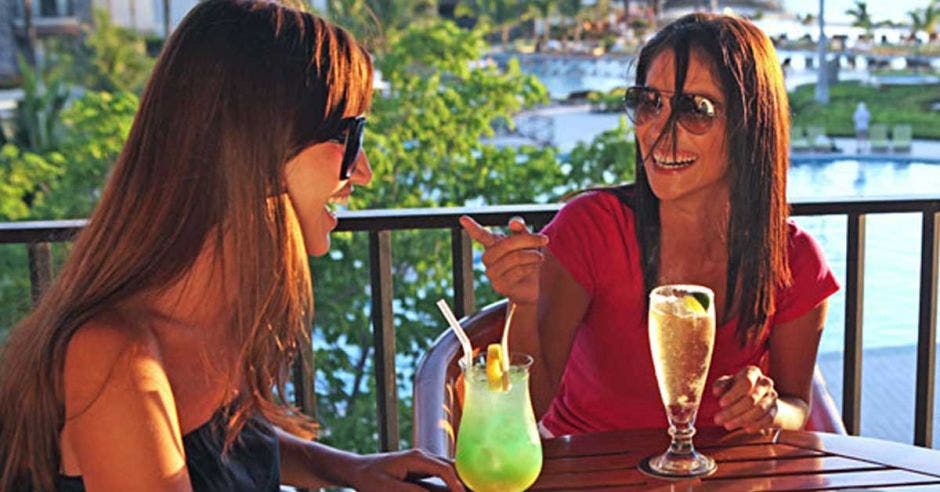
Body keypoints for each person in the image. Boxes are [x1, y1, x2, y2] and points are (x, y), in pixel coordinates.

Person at [0, 1, 464, 490]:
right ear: (260, 144)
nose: (363, 171)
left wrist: (348, 467)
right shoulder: (116, 360)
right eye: (350, 135)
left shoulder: (213, 311)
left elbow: (221, 442)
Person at [460, 13, 839, 438]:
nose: (660, 130)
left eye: (696, 109)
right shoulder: (592, 229)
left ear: (751, 125)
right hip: (590, 469)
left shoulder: (794, 259)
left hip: (722, 475)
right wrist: (523, 304)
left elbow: (797, 404)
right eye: (650, 102)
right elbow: (529, 406)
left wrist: (769, 409)